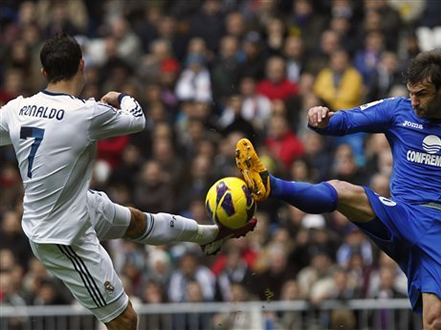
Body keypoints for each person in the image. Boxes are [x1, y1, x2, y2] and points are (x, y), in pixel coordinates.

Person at [0, 33, 256, 330]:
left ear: (43, 72)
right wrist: (119, 97)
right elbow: (137, 118)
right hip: (60, 235)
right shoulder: (85, 114)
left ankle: (210, 236)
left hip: (75, 206)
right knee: (125, 320)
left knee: (136, 222)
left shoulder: (17, 109)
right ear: (82, 65)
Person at [235, 49, 441, 330]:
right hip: (402, 216)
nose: (414, 101)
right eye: (411, 93)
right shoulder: (398, 110)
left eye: (422, 94)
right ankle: (270, 185)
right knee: (343, 190)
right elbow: (343, 121)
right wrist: (319, 117)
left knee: (436, 321)